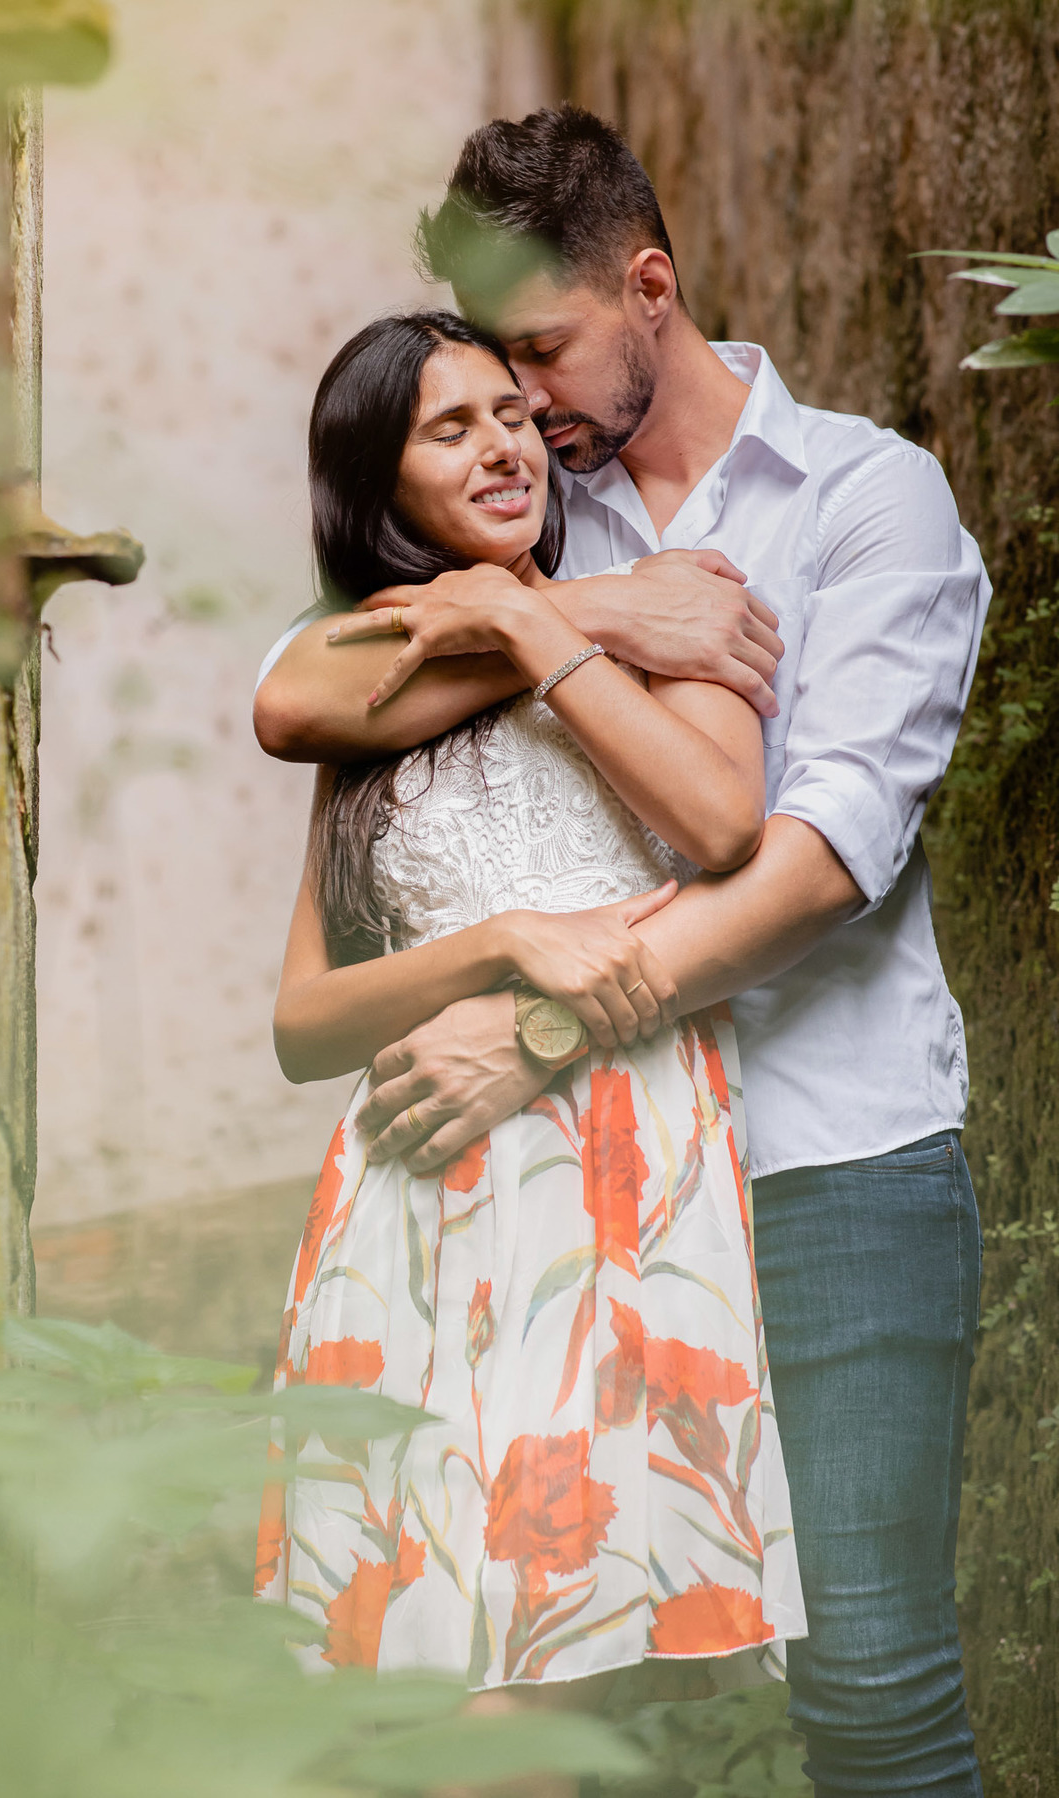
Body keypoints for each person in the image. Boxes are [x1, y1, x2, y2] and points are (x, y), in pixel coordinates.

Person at [254, 107, 991, 1798]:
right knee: (547, 1691)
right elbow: (304, 692)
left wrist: (540, 1025)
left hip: (824, 1159)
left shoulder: (868, 500)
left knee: (868, 1684)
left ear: (647, 286)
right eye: (492, 380)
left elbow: (810, 862)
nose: (524, 406)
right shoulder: (545, 522)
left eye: (541, 355)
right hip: (572, 1203)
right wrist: (573, 608)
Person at [254, 309, 807, 1741]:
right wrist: (494, 945)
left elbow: (720, 820)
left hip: (607, 1182)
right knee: (432, 1685)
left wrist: (536, 613)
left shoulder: (677, 603)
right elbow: (306, 1021)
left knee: (533, 1689)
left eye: (511, 411)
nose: (503, 442)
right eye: (451, 427)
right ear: (385, 487)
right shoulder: (382, 699)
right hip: (408, 1201)